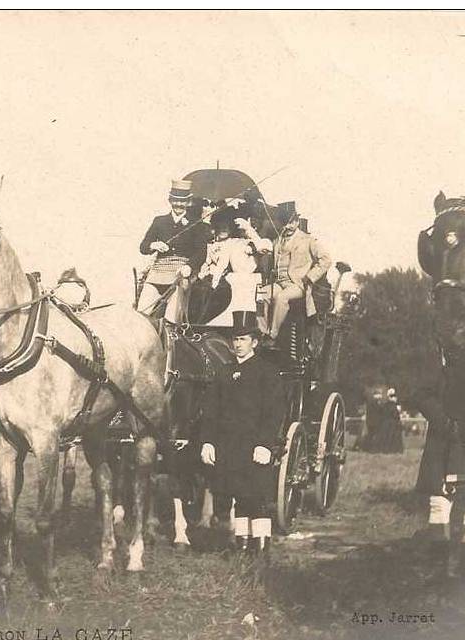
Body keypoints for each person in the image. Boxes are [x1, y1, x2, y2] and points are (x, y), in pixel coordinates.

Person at [199, 311, 286, 558]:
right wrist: (207, 442)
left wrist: (265, 444)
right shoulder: (223, 372)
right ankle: (243, 544)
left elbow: (274, 411)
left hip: (254, 444)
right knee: (238, 493)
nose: (238, 344)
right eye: (235, 340)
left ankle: (261, 547)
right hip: (229, 445)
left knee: (256, 496)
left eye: (243, 339)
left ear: (254, 343)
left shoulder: (266, 372)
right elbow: (211, 411)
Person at [255, 209, 332, 346]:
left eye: (291, 222)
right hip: (279, 282)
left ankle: (272, 335)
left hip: (297, 284)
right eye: (284, 223)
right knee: (261, 295)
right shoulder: (278, 240)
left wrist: (310, 276)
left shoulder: (308, 240)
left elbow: (326, 259)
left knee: (281, 298)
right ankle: (262, 332)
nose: (288, 226)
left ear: (296, 221)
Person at [136, 179, 211, 319]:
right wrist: (154, 245)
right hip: (157, 273)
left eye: (182, 201)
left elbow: (201, 252)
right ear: (170, 200)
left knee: (171, 319)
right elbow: (143, 247)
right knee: (141, 315)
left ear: (188, 202)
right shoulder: (159, 221)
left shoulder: (197, 223)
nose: (178, 204)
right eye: (175, 200)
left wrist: (189, 266)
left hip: (180, 273)